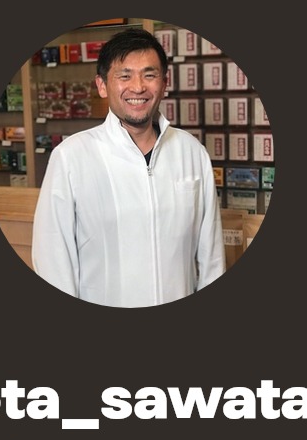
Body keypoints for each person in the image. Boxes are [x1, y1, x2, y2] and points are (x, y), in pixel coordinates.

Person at [32, 28, 225, 307]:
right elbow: (53, 260)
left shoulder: (191, 152)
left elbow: (211, 257)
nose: (138, 87)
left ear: (164, 83)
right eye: (124, 76)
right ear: (102, 85)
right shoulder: (71, 157)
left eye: (149, 75)